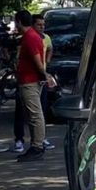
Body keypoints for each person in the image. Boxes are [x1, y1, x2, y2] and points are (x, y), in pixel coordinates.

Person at [14, 9, 52, 161]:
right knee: (32, 115)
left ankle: (37, 146)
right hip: (28, 80)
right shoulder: (31, 36)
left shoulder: (30, 37)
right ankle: (36, 144)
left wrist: (44, 75)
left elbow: (38, 60)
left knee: (35, 115)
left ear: (18, 22)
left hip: (30, 81)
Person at [33, 14, 56, 150]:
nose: (42, 27)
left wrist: (47, 61)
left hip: (42, 78)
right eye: (39, 25)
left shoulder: (46, 38)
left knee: (42, 108)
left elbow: (50, 48)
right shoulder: (30, 38)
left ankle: (42, 138)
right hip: (32, 79)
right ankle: (22, 140)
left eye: (43, 25)